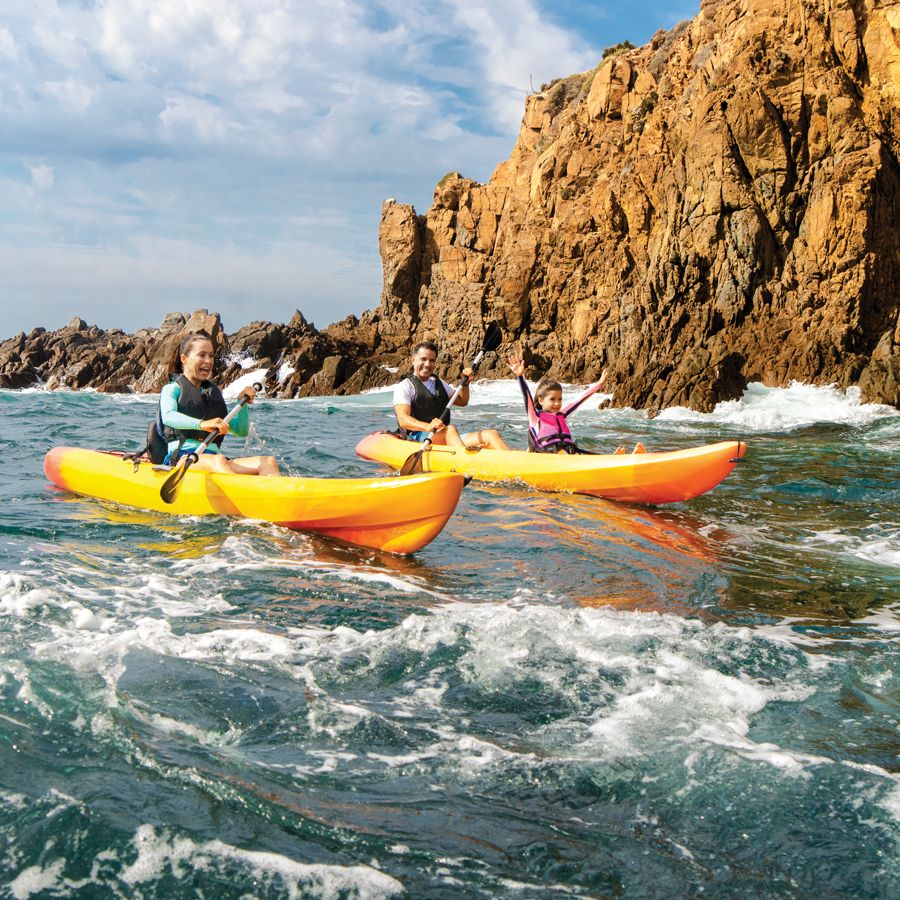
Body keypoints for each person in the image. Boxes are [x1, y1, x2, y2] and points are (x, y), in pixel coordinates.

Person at [158, 332, 280, 475]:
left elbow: (241, 431)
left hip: (216, 459)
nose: (208, 360)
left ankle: (278, 495)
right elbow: (168, 416)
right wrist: (202, 424)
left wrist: (241, 403)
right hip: (184, 458)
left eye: (211, 355)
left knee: (269, 462)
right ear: (184, 359)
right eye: (202, 355)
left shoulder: (211, 393)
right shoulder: (172, 389)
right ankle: (239, 494)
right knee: (218, 461)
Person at [508, 353, 645, 454]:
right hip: (549, 457)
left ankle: (621, 461)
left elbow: (579, 399)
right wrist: (520, 376)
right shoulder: (535, 417)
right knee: (566, 453)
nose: (557, 403)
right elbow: (526, 396)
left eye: (560, 399)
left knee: (584, 453)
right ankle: (613, 465)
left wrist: (598, 385)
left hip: (569, 453)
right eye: (552, 399)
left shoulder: (562, 415)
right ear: (540, 400)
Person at [393, 340, 509, 450]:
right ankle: (467, 460)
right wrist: (427, 426)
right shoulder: (405, 386)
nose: (427, 364)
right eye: (423, 359)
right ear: (413, 360)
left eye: (432, 360)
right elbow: (403, 419)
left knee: (491, 434)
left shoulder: (438, 383)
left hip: (443, 435)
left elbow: (462, 401)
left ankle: (516, 464)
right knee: (450, 430)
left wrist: (465, 384)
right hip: (417, 438)